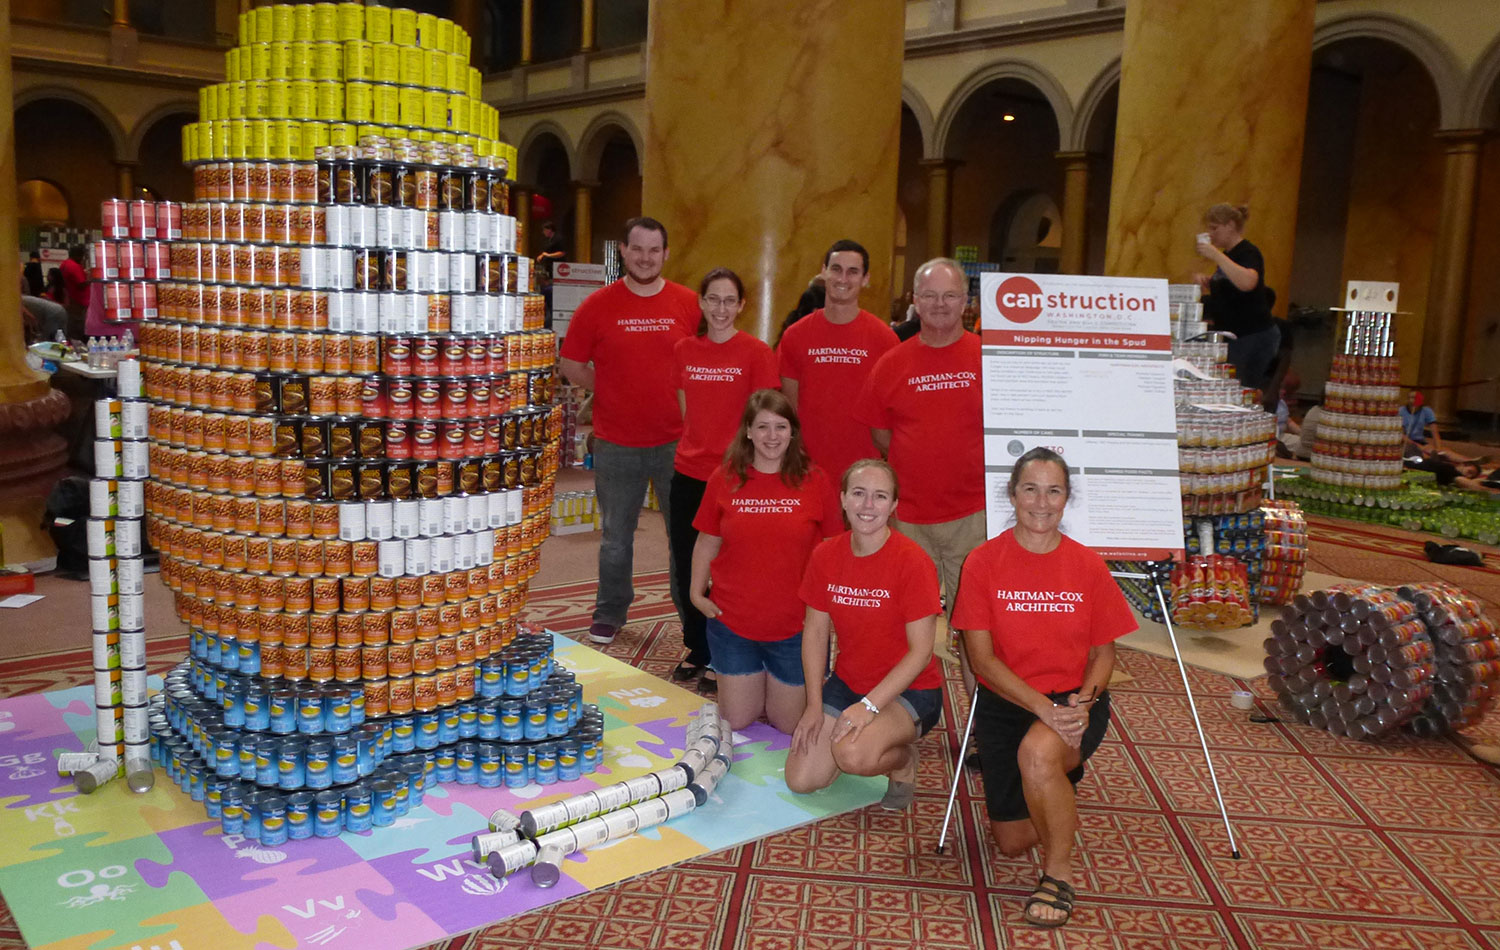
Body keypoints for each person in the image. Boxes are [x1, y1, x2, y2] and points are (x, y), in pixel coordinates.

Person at [951, 448, 1137, 929]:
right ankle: (1057, 785)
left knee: (1037, 753)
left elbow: (1104, 654)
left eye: (1053, 490)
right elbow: (982, 660)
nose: (1041, 501)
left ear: (1067, 498)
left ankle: (1058, 872)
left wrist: (1082, 703)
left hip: (1075, 701)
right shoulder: (983, 562)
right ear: (1012, 495)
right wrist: (1040, 708)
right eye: (1030, 489)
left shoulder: (1088, 565)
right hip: (1007, 701)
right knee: (1011, 841)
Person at [855, 256, 986, 744]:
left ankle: (980, 731)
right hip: (909, 522)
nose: (939, 305)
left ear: (966, 302)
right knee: (903, 634)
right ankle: (897, 727)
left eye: (950, 295)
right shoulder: (893, 362)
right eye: (929, 295)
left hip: (975, 517)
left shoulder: (985, 357)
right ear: (914, 299)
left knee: (978, 634)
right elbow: (880, 431)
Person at [559, 217, 700, 645]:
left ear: (666, 254)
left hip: (679, 443)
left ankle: (692, 621)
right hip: (617, 441)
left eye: (654, 250)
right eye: (637, 249)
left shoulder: (689, 303)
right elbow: (571, 366)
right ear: (622, 250)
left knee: (684, 540)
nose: (645, 258)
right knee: (616, 538)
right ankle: (610, 611)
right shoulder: (597, 305)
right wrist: (613, 386)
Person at [785, 459, 944, 811]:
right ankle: (868, 738)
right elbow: (814, 633)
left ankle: (902, 762)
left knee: (852, 756)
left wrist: (869, 707)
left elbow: (920, 653)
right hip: (849, 682)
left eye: (879, 496)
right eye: (858, 494)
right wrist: (813, 705)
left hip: (911, 691)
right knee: (801, 780)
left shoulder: (913, 562)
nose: (868, 506)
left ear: (893, 506)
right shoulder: (826, 555)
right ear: (842, 499)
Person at [689, 389, 843, 733]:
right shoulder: (724, 478)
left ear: (793, 432)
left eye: (780, 427)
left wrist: (827, 607)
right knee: (738, 720)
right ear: (747, 431)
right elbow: (706, 539)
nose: (771, 437)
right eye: (762, 427)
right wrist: (696, 594)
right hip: (733, 622)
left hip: (795, 625)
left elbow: (835, 547)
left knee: (788, 723)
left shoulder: (816, 480)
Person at [668, 267, 780, 693]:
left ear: (742, 306)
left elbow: (765, 419)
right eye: (712, 300)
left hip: (737, 476)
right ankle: (697, 647)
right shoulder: (684, 350)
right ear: (701, 302)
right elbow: (687, 411)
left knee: (731, 570)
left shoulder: (755, 352)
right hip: (689, 473)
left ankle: (724, 655)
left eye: (729, 301)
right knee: (688, 565)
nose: (720, 309)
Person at [777, 239, 898, 481]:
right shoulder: (795, 336)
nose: (843, 278)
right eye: (836, 269)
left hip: (865, 474)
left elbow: (892, 411)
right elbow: (789, 407)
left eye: (853, 272)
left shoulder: (884, 338)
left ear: (865, 279)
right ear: (823, 271)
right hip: (808, 470)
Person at [1194, 204, 1278, 391]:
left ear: (1230, 225)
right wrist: (1210, 282)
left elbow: (1248, 282)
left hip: (1252, 334)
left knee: (1241, 389)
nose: (1211, 233)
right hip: (1234, 334)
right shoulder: (1229, 256)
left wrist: (1215, 255)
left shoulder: (1247, 252)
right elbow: (1232, 285)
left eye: (1214, 228)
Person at [1399, 390, 1441, 457]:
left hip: (1420, 441)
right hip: (1406, 442)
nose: (1411, 400)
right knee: (1423, 455)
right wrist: (1420, 447)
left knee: (1442, 452)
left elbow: (1435, 432)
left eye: (1414, 398)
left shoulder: (1427, 411)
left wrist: (1439, 448)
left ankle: (1463, 461)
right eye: (1410, 398)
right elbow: (1401, 434)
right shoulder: (1401, 411)